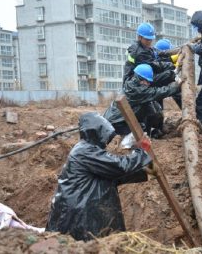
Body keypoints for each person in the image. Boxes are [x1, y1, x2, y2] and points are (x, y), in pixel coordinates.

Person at [46, 112, 153, 241]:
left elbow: (112, 175)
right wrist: (141, 151)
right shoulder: (84, 151)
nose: (107, 140)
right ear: (96, 132)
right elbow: (118, 166)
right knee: (82, 244)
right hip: (79, 210)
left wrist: (141, 169)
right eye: (105, 135)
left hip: (81, 207)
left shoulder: (89, 150)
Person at [103, 64, 181, 138]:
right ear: (139, 78)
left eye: (149, 82)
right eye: (146, 81)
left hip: (116, 120)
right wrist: (176, 86)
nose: (148, 84)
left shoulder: (132, 83)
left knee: (152, 107)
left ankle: (153, 131)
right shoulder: (137, 91)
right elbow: (157, 92)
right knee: (139, 131)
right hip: (116, 123)